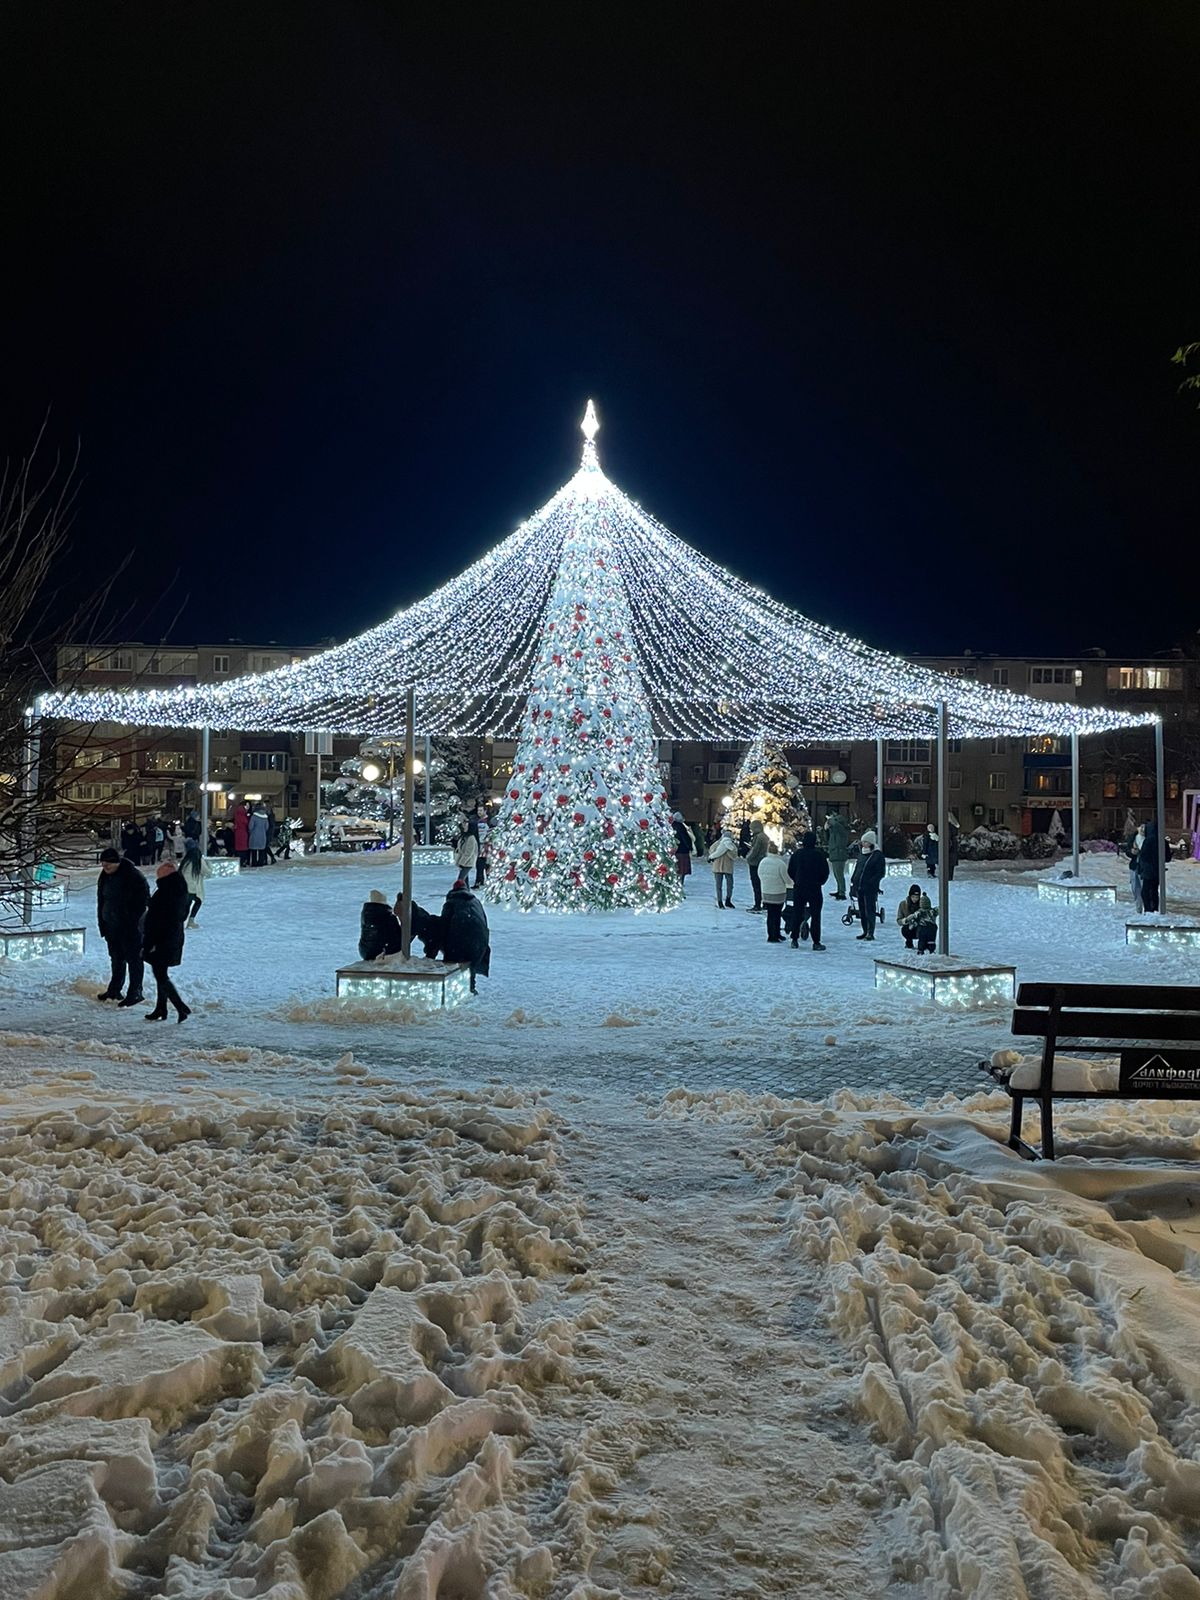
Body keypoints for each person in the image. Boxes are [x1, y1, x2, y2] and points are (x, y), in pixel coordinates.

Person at [96, 846, 150, 1006]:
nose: (105, 867)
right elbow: (101, 900)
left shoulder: (133, 876)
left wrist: (131, 921)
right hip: (111, 925)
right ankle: (114, 989)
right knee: (116, 958)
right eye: (103, 864)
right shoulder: (105, 876)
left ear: (117, 862)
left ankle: (135, 992)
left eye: (108, 864)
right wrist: (103, 922)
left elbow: (143, 902)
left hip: (130, 927)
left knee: (133, 959)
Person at [142, 861, 191, 1022]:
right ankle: (161, 1008)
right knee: (161, 973)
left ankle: (180, 1007)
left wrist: (150, 943)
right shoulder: (179, 890)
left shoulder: (166, 892)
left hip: (162, 939)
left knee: (160, 974)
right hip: (172, 937)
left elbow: (158, 920)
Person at [433, 879, 491, 993]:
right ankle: (471, 988)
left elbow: (443, 925)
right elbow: (483, 920)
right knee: (471, 963)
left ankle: (454, 991)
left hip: (459, 938)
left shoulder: (451, 903)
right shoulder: (475, 901)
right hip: (480, 938)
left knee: (453, 963)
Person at [788, 831, 829, 951]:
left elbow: (790, 870)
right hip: (815, 888)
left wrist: (796, 879)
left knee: (797, 912)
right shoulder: (819, 855)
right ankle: (816, 942)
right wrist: (820, 882)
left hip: (799, 887)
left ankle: (794, 939)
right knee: (816, 915)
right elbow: (825, 872)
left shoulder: (797, 854)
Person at [850, 830, 885, 941]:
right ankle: (865, 930)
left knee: (870, 909)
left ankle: (870, 932)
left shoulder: (877, 855)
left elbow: (880, 872)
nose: (863, 844)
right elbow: (858, 868)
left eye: (866, 842)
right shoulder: (862, 854)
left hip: (870, 887)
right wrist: (853, 880)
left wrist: (872, 882)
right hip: (859, 886)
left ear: (871, 843)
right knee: (862, 910)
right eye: (863, 841)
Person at [757, 841, 791, 943]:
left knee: (770, 914)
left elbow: (759, 874)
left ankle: (771, 934)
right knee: (777, 914)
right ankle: (775, 934)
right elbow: (787, 879)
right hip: (778, 893)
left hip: (766, 891)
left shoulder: (763, 861)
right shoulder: (780, 863)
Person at [359, 888, 403, 960]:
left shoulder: (365, 914)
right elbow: (396, 937)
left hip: (364, 951)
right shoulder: (388, 916)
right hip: (380, 951)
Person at [179, 838, 211, 928]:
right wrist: (208, 863)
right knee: (198, 902)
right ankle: (191, 921)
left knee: (186, 905)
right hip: (194, 888)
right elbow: (207, 872)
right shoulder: (198, 860)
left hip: (184, 887)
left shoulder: (185, 861)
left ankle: (182, 921)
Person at [896, 885, 937, 953]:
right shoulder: (903, 904)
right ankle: (909, 941)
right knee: (905, 929)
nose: (915, 899)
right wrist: (906, 920)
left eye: (917, 897)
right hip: (909, 927)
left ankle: (925, 944)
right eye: (913, 897)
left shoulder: (923, 904)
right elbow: (899, 920)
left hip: (921, 927)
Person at [707, 827, 738, 908]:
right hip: (727, 867)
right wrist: (727, 850)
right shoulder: (732, 846)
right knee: (729, 884)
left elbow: (711, 852)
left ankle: (721, 901)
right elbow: (734, 856)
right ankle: (727, 900)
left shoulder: (717, 844)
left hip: (717, 867)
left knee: (719, 885)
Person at [1137, 819, 1163, 913]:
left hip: (1148, 870)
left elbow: (1143, 855)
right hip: (1158, 870)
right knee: (1154, 891)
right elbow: (1167, 857)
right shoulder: (1162, 841)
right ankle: (1155, 908)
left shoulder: (1147, 841)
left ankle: (1148, 909)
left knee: (1146, 891)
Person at [825, 812, 850, 900]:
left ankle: (842, 892)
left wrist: (830, 819)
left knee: (839, 875)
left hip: (839, 854)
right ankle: (840, 890)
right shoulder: (836, 831)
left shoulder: (841, 829)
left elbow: (835, 824)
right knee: (837, 874)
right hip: (835, 854)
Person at [745, 819, 768, 913]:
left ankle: (757, 904)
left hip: (755, 863)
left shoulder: (758, 837)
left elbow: (755, 851)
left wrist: (748, 858)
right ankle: (765, 903)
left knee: (756, 884)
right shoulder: (764, 836)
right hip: (762, 862)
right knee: (762, 884)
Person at [671, 811, 692, 890]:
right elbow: (685, 838)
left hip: (674, 851)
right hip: (682, 851)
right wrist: (690, 847)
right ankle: (679, 885)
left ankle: (676, 884)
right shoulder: (681, 827)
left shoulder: (671, 826)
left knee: (677, 869)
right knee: (681, 870)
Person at [474, 804, 490, 888]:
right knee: (479, 865)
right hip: (479, 847)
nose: (479, 812)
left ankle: (488, 881)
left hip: (487, 847)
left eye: (481, 810)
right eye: (478, 810)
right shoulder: (477, 821)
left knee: (487, 865)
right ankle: (479, 881)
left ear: (485, 811)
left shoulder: (489, 821)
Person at [233, 801, 251, 867]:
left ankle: (239, 861)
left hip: (237, 833)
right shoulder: (243, 816)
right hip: (243, 833)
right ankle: (243, 861)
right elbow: (246, 822)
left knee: (238, 848)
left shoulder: (237, 815)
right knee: (243, 848)